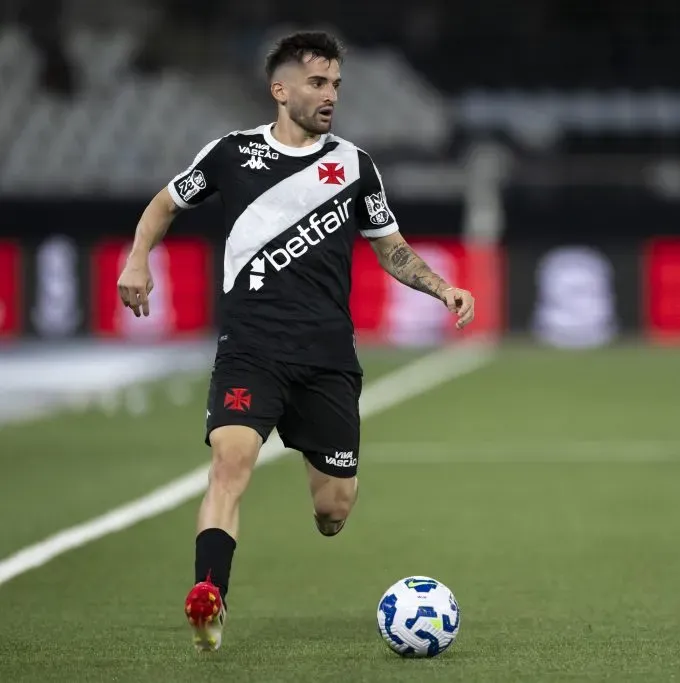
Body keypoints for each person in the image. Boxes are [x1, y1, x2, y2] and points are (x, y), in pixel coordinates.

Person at [115, 30, 475, 652]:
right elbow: (166, 202)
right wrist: (137, 259)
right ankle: (210, 596)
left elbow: (389, 247)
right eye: (317, 82)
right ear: (280, 90)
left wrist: (442, 288)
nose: (330, 93)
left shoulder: (356, 165)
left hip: (328, 358)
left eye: (335, 83)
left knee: (334, 509)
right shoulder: (231, 154)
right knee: (229, 465)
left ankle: (322, 502)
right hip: (250, 349)